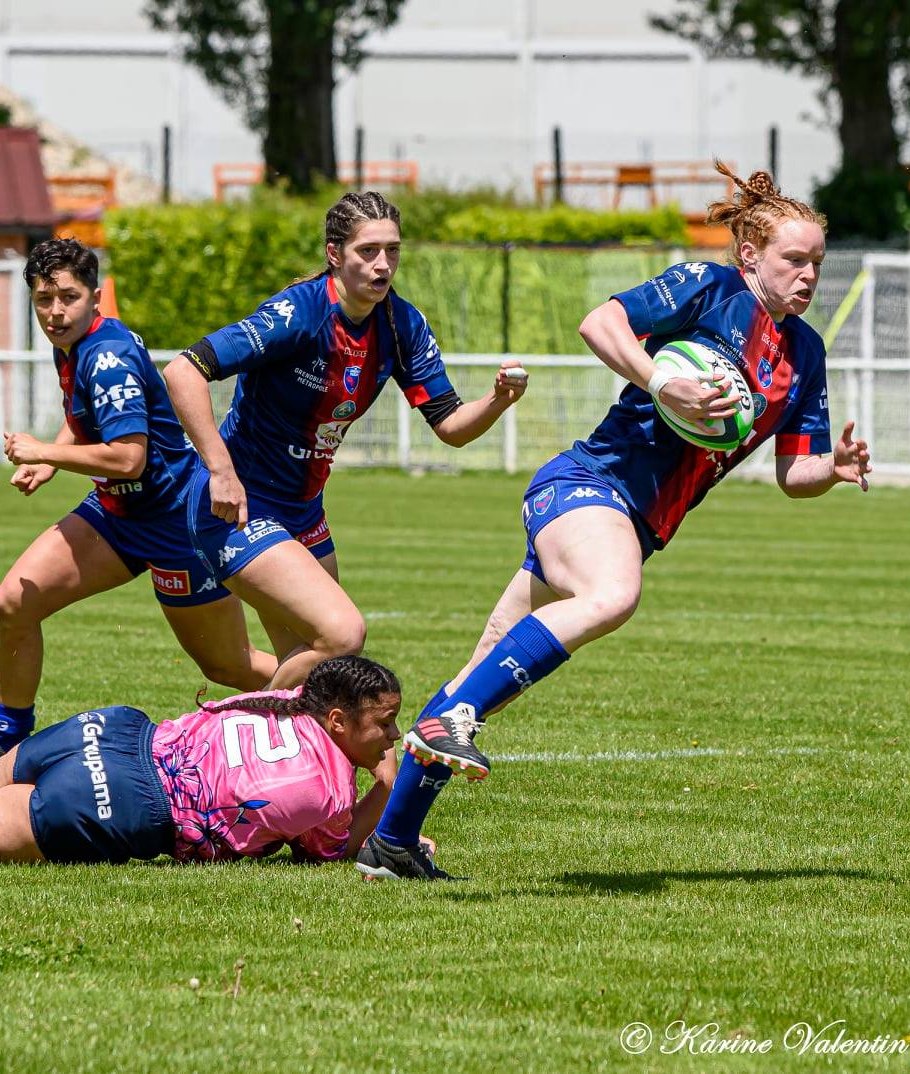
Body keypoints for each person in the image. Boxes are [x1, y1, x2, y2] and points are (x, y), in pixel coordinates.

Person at [354, 162, 872, 880]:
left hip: (635, 523)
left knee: (483, 670)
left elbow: (795, 473)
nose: (808, 274)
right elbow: (600, 321)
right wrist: (663, 380)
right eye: (794, 259)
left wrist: (834, 469)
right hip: (584, 485)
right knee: (611, 596)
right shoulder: (707, 286)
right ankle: (451, 723)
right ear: (751, 256)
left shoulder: (805, 354)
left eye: (816, 261)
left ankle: (390, 843)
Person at [163, 191, 528, 689]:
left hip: (304, 510)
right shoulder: (297, 314)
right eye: (368, 251)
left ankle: (300, 762)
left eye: (393, 250)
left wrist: (499, 399)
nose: (383, 265)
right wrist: (221, 472)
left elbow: (451, 427)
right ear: (334, 253)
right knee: (341, 635)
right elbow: (183, 370)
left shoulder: (402, 324)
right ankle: (233, 737)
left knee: (320, 675)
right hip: (240, 506)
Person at [0, 239, 276, 772]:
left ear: (95, 297)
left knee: (229, 667)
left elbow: (128, 459)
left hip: (175, 526)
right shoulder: (75, 340)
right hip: (115, 518)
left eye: (68, 297)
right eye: (43, 299)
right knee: (13, 603)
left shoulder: (108, 357)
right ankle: (6, 737)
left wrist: (43, 451)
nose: (54, 311)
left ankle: (341, 700)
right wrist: (56, 458)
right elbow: (88, 416)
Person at [0, 655, 405, 866]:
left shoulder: (288, 700)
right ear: (336, 720)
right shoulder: (327, 792)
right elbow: (328, 852)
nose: (394, 735)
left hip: (113, 729)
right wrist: (386, 787)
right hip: (127, 801)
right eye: (385, 723)